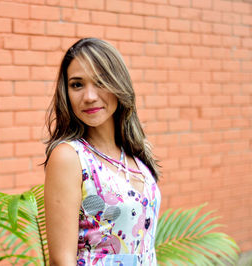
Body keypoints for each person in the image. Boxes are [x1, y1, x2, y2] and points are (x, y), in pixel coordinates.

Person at [43, 38, 161, 265]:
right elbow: (61, 260)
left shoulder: (134, 155)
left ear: (119, 84)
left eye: (100, 82)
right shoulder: (70, 157)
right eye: (77, 84)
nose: (88, 96)